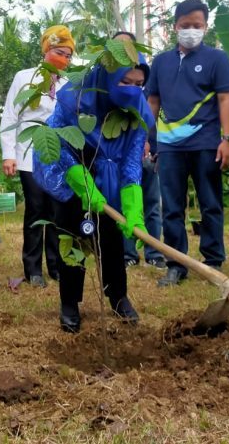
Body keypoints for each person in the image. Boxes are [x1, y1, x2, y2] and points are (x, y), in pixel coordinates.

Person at [35, 47, 153, 333]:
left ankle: (118, 297)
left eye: (139, 84)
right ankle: (70, 303)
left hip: (109, 187)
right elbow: (57, 143)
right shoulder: (75, 103)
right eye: (126, 82)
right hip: (74, 179)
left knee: (112, 242)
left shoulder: (136, 114)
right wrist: (79, 177)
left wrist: (132, 203)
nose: (133, 90)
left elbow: (131, 162)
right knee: (72, 240)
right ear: (108, 78)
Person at [147, 0, 229, 287]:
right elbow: (152, 102)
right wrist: (148, 139)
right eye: (185, 25)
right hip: (169, 146)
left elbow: (226, 100)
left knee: (210, 204)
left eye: (197, 25)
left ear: (205, 27)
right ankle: (177, 264)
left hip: (207, 143)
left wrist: (227, 139)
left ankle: (212, 262)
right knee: (171, 206)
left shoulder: (217, 59)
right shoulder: (161, 61)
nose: (191, 30)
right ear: (175, 27)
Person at [0, 25, 71, 287]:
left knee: (57, 211)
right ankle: (33, 269)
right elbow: (10, 115)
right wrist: (9, 155)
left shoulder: (68, 83)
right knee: (36, 209)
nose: (63, 57)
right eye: (58, 51)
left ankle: (56, 265)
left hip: (59, 156)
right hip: (29, 152)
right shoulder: (25, 77)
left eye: (67, 54)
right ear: (46, 50)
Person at [113, 32, 165, 269]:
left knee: (152, 204)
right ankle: (128, 255)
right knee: (125, 204)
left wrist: (151, 145)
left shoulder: (145, 76)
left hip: (147, 152)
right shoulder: (111, 83)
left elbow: (152, 113)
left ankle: (154, 253)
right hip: (121, 156)